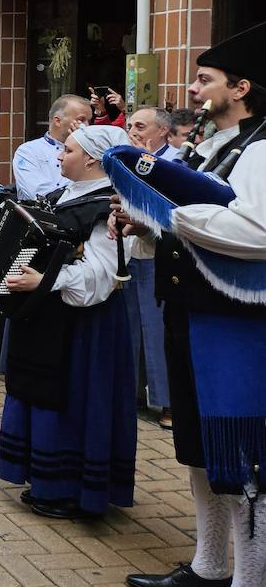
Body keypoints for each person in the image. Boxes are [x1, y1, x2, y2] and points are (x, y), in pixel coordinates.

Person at [121, 23, 266, 587]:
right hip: (191, 309)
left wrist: (171, 211)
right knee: (202, 448)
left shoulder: (262, 147)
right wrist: (144, 217)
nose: (194, 88)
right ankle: (211, 567)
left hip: (236, 325)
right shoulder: (211, 144)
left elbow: (255, 231)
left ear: (242, 86)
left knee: (245, 461)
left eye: (206, 79)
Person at [0, 125, 136, 519]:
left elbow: (104, 275)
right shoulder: (63, 196)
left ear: (91, 158)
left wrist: (46, 281)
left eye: (67, 150)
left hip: (85, 327)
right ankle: (45, 480)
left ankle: (71, 490)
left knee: (74, 401)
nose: (58, 157)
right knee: (40, 392)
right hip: (49, 321)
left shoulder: (108, 206)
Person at [123, 106, 175, 427]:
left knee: (158, 331)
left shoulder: (177, 163)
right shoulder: (130, 159)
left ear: (163, 132)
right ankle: (131, 395)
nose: (134, 131)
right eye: (130, 125)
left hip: (161, 256)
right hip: (128, 254)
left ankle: (168, 403)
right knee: (129, 329)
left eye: (141, 126)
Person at [10, 94, 93, 201]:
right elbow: (38, 194)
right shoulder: (28, 151)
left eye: (89, 121)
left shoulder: (90, 152)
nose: (87, 126)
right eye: (81, 120)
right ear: (58, 121)